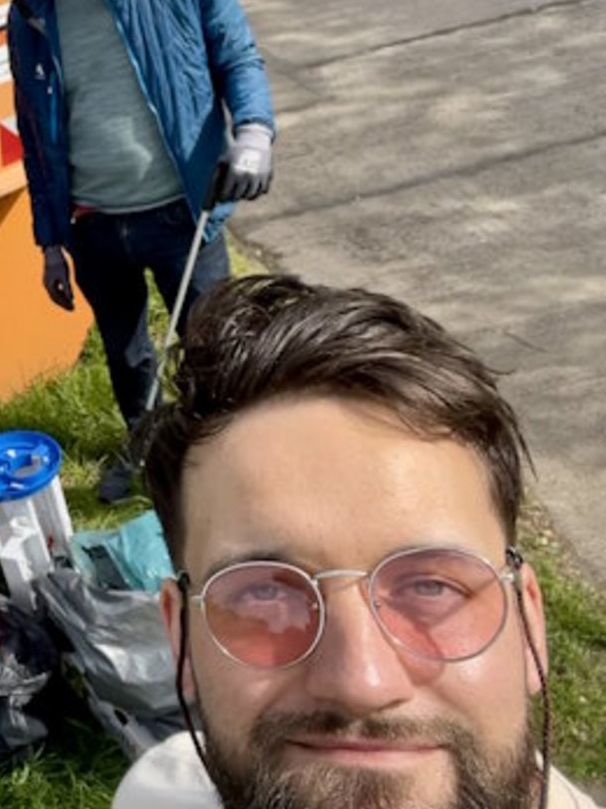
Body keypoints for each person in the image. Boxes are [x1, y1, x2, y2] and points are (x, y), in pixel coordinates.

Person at [118, 274, 598, 809]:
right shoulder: (154, 794)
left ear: (529, 620)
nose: (360, 682)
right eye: (265, 593)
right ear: (180, 637)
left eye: (432, 587)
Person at [6, 0, 276, 501]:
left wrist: (254, 134)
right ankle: (151, 450)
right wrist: (49, 242)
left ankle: (230, 465)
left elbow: (237, 57)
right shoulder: (29, 14)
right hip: (96, 225)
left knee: (212, 350)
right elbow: (36, 142)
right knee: (127, 355)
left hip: (184, 211)